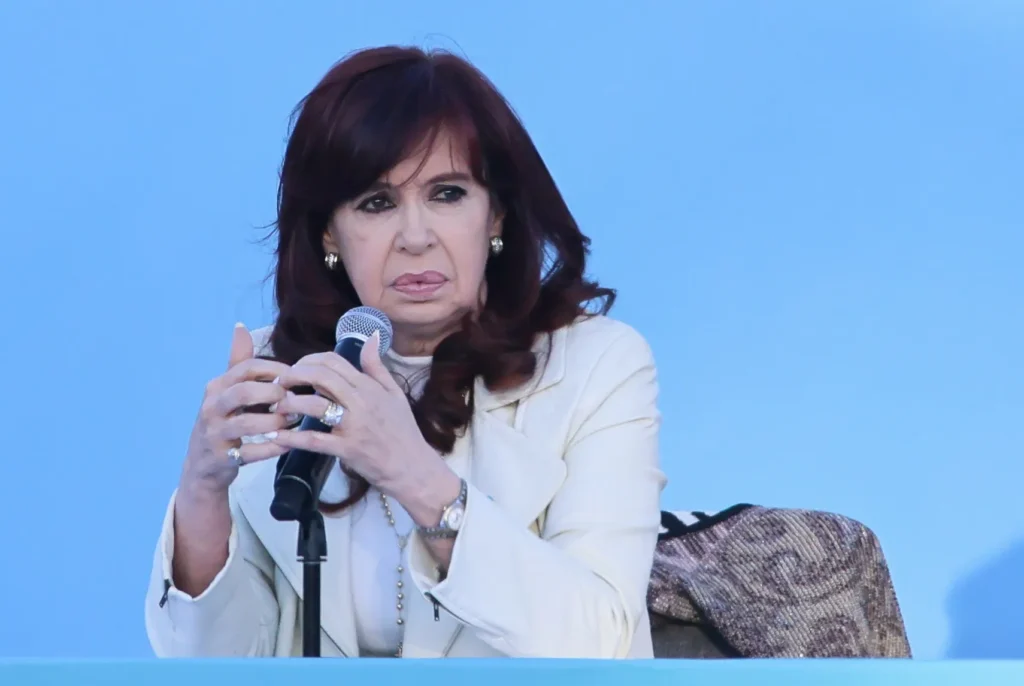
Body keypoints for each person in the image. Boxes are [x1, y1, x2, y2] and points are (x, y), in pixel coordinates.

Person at [144, 45, 665, 659]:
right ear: (329, 234)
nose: (415, 237)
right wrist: (202, 491)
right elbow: (215, 666)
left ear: (495, 214)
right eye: (377, 203)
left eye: (447, 194)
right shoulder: (280, 377)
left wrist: (415, 475)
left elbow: (598, 641)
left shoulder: (595, 367)